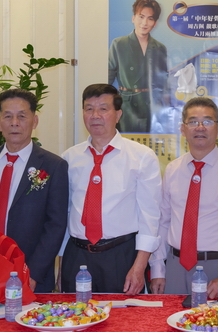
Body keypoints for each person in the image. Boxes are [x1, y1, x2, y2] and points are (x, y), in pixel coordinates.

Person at [0, 88, 68, 293]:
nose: (14, 123)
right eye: (8, 116)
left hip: (28, 272)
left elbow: (55, 225)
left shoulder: (53, 165)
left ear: (34, 121)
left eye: (22, 116)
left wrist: (33, 273)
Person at [150, 97, 218, 298]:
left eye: (207, 121)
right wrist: (157, 269)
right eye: (193, 122)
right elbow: (163, 222)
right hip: (175, 266)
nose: (200, 127)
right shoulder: (172, 170)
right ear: (183, 129)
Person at [60, 83, 162, 294]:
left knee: (122, 314)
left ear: (118, 114)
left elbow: (150, 218)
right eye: (89, 109)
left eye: (103, 109)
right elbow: (65, 213)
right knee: (73, 312)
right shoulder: (69, 158)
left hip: (120, 255)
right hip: (77, 254)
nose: (95, 115)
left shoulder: (141, 157)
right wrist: (62, 267)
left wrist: (139, 266)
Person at [108, 0, 169, 133]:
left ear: (155, 23)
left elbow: (163, 81)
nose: (144, 23)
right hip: (127, 106)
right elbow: (108, 78)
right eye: (141, 17)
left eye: (150, 18)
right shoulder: (119, 44)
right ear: (133, 18)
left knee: (149, 143)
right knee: (127, 142)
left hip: (151, 106)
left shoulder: (160, 48)